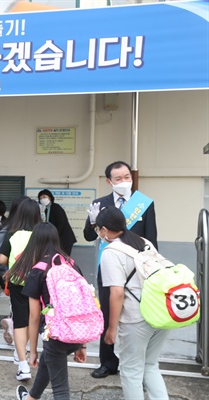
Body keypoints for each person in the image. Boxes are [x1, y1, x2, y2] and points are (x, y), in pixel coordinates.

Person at [83, 161, 158, 379]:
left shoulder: (143, 203)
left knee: (137, 315)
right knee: (107, 312)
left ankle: (136, 362)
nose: (124, 181)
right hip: (108, 267)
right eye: (118, 178)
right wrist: (92, 222)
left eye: (127, 177)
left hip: (137, 270)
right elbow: (89, 237)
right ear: (109, 181)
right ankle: (108, 362)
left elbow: (151, 238)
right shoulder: (100, 203)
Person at [95, 207, 169, 399]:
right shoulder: (144, 242)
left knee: (131, 372)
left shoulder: (111, 252)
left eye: (98, 229)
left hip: (136, 319)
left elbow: (117, 293)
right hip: (161, 312)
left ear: (104, 229)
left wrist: (111, 329)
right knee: (150, 366)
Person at [15, 222, 88, 400]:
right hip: (76, 331)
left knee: (61, 389)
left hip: (55, 333)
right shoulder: (71, 264)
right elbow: (84, 304)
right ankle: (31, 398)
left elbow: (33, 317)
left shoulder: (37, 271)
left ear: (35, 242)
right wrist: (82, 345)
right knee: (49, 360)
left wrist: (31, 352)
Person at [0, 198, 42, 381]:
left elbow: (1, 260)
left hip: (17, 283)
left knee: (20, 322)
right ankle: (30, 354)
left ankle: (22, 365)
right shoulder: (41, 234)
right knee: (34, 320)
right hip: (38, 283)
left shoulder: (12, 234)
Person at [37, 189, 77, 255]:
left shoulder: (56, 207)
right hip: (56, 239)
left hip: (64, 239)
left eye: (44, 197)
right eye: (40, 198)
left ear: (50, 197)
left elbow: (61, 223)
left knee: (63, 259)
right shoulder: (47, 209)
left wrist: (53, 236)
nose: (42, 199)